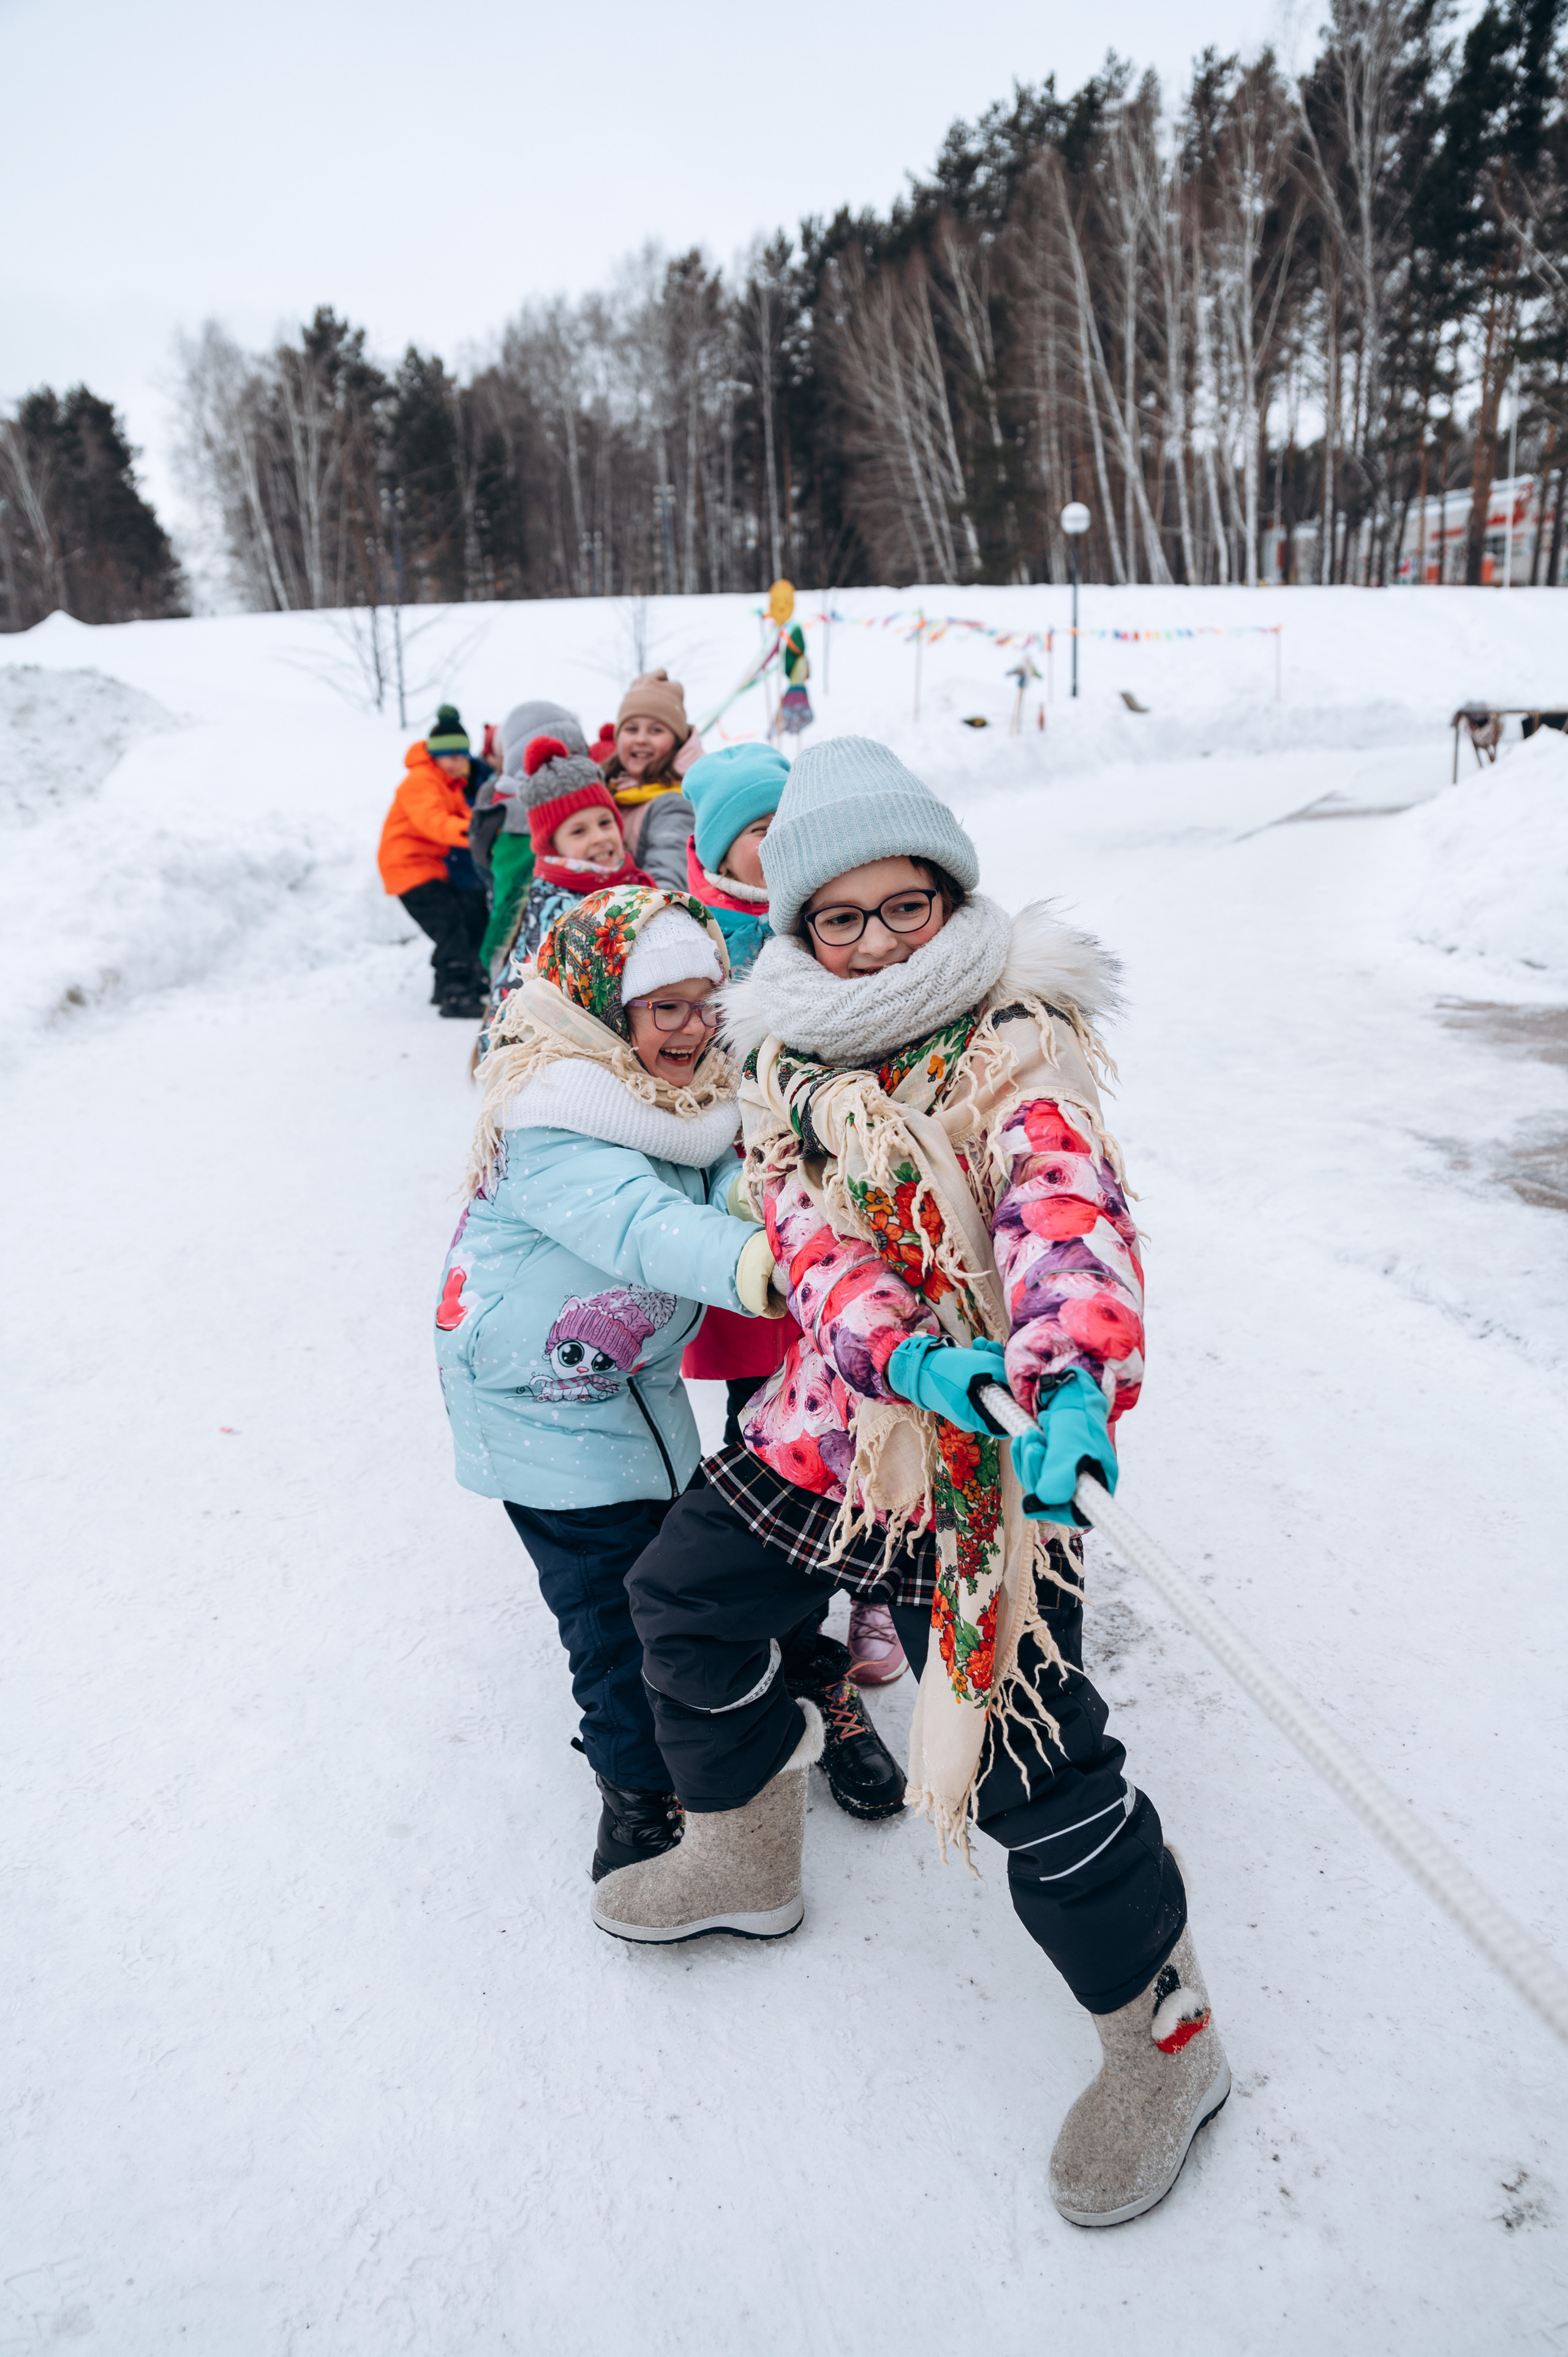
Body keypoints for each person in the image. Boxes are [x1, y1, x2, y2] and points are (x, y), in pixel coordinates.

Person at [590, 736, 1229, 2231]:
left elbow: (1059, 1207)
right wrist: (899, 1352)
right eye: (841, 915)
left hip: (980, 1469)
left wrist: (1061, 1374)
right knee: (679, 1594)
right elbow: (807, 1239)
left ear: (948, 895)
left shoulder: (1013, 1039)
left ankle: (1162, 2035)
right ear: (798, 928)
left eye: (904, 904)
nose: (875, 938)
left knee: (1026, 1758)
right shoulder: (785, 1059)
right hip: (833, 1426)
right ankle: (745, 1845)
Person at [435, 885, 788, 1882]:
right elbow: (643, 1225)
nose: (693, 1027)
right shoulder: (553, 1113)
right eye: (663, 1006)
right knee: (614, 1623)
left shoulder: (675, 1099)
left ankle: (654, 1749)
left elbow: (712, 1177)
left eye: (705, 999)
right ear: (606, 1005)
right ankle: (637, 1821)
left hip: (621, 1391)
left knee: (656, 1594)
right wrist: (766, 1264)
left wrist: (774, 1200)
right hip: (541, 1410)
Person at [680, 740, 911, 1785]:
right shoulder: (679, 944)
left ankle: (878, 1593)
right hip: (757, 1263)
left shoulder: (846, 932)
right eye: (767, 835)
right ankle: (811, 1678)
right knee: (774, 1473)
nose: (788, 853)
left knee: (879, 1446)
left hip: (863, 1255)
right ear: (724, 846)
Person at [492, 736, 655, 995]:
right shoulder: (563, 912)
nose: (600, 837)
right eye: (579, 831)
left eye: (605, 822)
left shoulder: (628, 880)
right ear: (552, 846)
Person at [377, 703, 491, 1018]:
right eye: (451, 755)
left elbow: (462, 816)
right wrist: (477, 830)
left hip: (427, 867)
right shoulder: (421, 781)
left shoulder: (446, 783)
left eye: (463, 754)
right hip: (407, 867)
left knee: (465, 914)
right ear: (435, 755)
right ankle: (456, 995)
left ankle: (456, 983)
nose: (459, 762)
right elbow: (435, 823)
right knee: (450, 925)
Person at [469, 701, 590, 980]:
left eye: (573, 755)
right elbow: (511, 899)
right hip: (528, 962)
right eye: (554, 756)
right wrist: (499, 957)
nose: (564, 767)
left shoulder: (503, 805)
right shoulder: (527, 819)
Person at [599, 670, 699, 893]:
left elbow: (665, 886)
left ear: (677, 740)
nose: (641, 739)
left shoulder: (675, 802)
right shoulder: (611, 791)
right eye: (631, 729)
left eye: (656, 730)